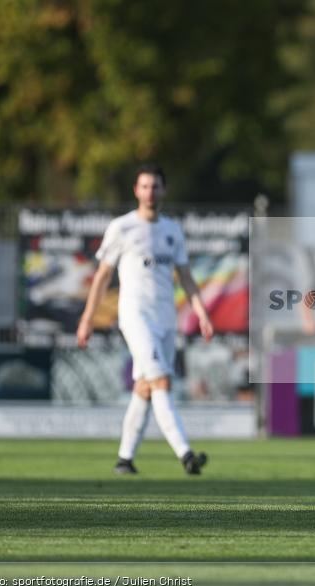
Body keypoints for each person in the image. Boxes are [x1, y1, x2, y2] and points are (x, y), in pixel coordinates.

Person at [77, 164, 213, 476]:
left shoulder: (172, 231)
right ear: (136, 191)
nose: (150, 192)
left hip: (166, 319)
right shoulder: (122, 228)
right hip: (135, 317)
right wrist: (87, 319)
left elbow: (187, 278)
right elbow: (102, 277)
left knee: (145, 387)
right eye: (144, 186)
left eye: (155, 186)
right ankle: (187, 454)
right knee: (162, 381)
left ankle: (124, 460)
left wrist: (201, 312)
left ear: (164, 191)